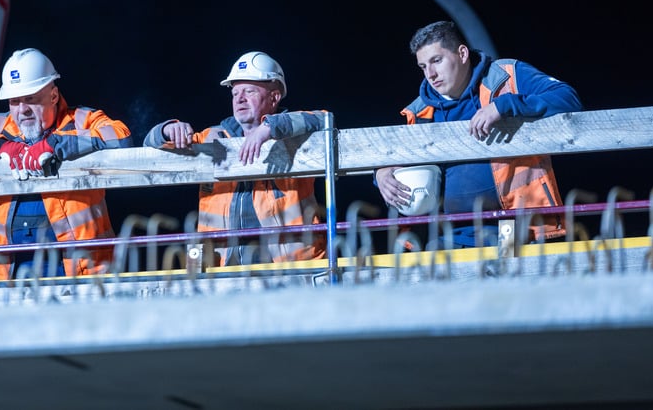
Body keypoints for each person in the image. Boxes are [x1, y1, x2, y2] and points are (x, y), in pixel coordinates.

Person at [374, 20, 583, 249]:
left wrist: (504, 105)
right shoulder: (418, 111)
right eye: (423, 66)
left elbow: (567, 98)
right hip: (446, 232)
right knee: (439, 281)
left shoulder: (507, 76)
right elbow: (394, 157)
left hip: (513, 226)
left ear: (462, 53)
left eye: (437, 60)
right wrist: (382, 173)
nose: (431, 74)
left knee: (506, 283)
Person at [0, 48, 133, 281]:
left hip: (81, 274)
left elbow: (120, 136)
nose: (22, 110)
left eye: (30, 99)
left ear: (54, 96)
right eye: (14, 101)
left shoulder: (80, 121)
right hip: (3, 278)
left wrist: (57, 144)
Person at [144, 51, 327, 267]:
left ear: (274, 97)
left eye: (249, 91)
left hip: (291, 266)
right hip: (217, 266)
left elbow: (325, 118)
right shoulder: (213, 138)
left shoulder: (297, 137)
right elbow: (149, 145)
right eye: (235, 93)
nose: (239, 99)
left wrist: (269, 128)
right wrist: (168, 129)